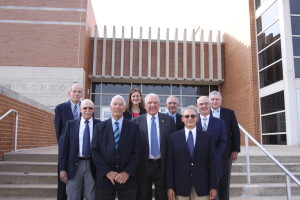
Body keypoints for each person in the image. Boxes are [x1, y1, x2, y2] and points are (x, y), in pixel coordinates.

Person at [91, 95, 142, 200]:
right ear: (110, 107)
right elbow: (95, 151)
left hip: (127, 179)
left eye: (120, 105)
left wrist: (127, 172)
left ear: (124, 108)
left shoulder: (134, 128)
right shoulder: (99, 127)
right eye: (115, 104)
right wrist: (107, 172)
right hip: (105, 178)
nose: (117, 107)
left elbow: (137, 152)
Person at [166, 106, 218, 200]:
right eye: (186, 116)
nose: (190, 118)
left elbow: (213, 164)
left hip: (202, 185)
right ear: (182, 119)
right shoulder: (173, 138)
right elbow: (170, 165)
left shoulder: (207, 137)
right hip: (180, 186)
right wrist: (170, 187)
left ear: (197, 118)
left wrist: (213, 186)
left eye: (193, 116)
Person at [132, 93, 176, 200]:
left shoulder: (168, 120)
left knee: (162, 196)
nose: (152, 105)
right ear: (145, 105)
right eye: (149, 103)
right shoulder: (135, 122)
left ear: (159, 104)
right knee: (143, 195)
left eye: (155, 102)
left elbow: (173, 144)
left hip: (162, 165)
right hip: (143, 165)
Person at [59, 99, 100, 200]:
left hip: (92, 165)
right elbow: (64, 149)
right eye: (85, 108)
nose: (87, 110)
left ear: (94, 110)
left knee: (92, 196)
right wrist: (62, 169)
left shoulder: (99, 125)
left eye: (90, 108)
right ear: (80, 109)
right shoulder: (71, 124)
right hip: (74, 166)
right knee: (73, 196)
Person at [209, 91, 241, 200]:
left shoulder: (229, 113)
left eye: (217, 99)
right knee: (211, 180)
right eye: (212, 99)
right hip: (209, 153)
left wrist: (235, 150)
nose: (214, 101)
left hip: (225, 153)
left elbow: (235, 132)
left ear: (221, 101)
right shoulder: (204, 113)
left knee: (224, 181)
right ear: (209, 101)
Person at [54, 83, 83, 200]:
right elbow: (58, 130)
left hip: (81, 149)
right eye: (74, 91)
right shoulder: (60, 108)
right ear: (69, 93)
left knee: (79, 182)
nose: (77, 94)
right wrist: (63, 147)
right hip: (67, 149)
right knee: (63, 181)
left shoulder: (85, 107)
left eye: (79, 92)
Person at [196, 96, 227, 179]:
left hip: (214, 163)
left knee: (214, 190)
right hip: (196, 164)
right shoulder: (191, 122)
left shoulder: (220, 123)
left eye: (206, 103)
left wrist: (214, 155)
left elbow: (223, 141)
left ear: (210, 105)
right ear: (197, 106)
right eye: (201, 104)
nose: (204, 106)